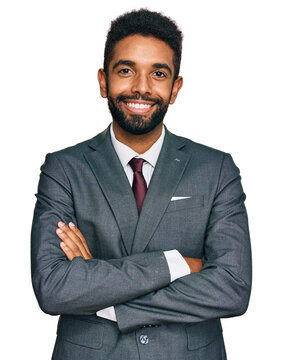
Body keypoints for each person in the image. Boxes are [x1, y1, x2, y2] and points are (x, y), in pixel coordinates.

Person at [31, 9, 252, 360]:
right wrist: (177, 265)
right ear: (103, 81)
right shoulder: (64, 168)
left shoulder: (216, 169)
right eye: (126, 70)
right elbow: (55, 288)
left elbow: (232, 288)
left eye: (158, 73)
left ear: (175, 87)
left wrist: (107, 298)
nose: (141, 87)